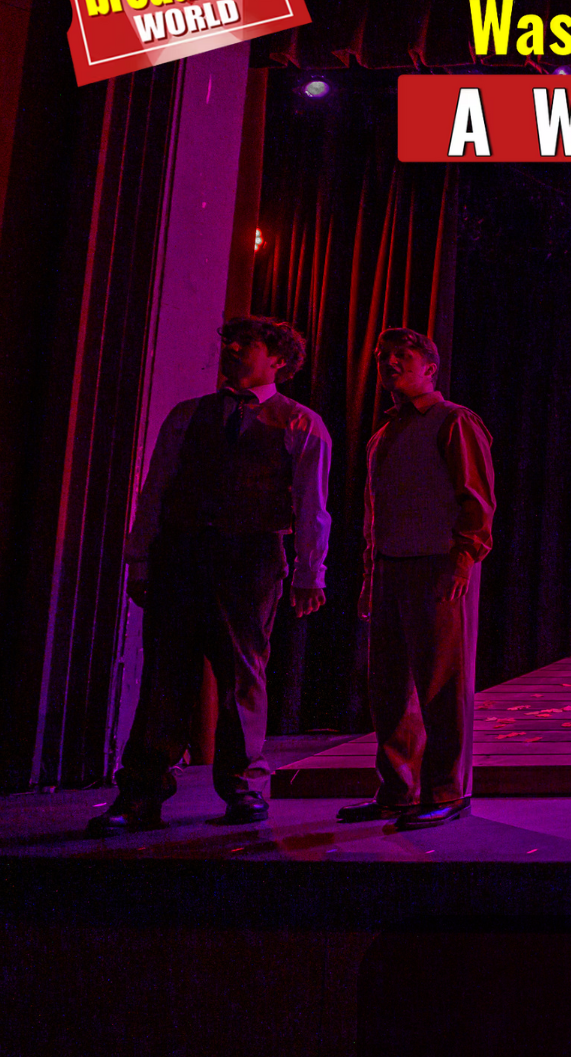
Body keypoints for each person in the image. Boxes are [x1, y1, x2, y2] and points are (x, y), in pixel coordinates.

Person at [89, 317, 331, 835]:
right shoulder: (189, 415)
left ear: (279, 361)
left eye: (248, 344)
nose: (233, 349)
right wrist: (140, 556)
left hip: (250, 556)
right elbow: (156, 486)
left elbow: (313, 506)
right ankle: (141, 792)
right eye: (229, 342)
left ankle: (243, 785)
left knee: (242, 673)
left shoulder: (300, 423)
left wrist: (312, 572)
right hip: (182, 551)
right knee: (164, 672)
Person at [337, 329, 496, 829]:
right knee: (389, 686)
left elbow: (476, 498)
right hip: (390, 567)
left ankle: (446, 790)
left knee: (440, 684)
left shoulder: (453, 421)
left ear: (430, 367)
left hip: (436, 564)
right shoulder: (384, 433)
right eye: (383, 356)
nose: (389, 363)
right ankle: (398, 790)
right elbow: (374, 513)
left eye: (401, 356)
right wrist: (370, 574)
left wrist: (464, 559)